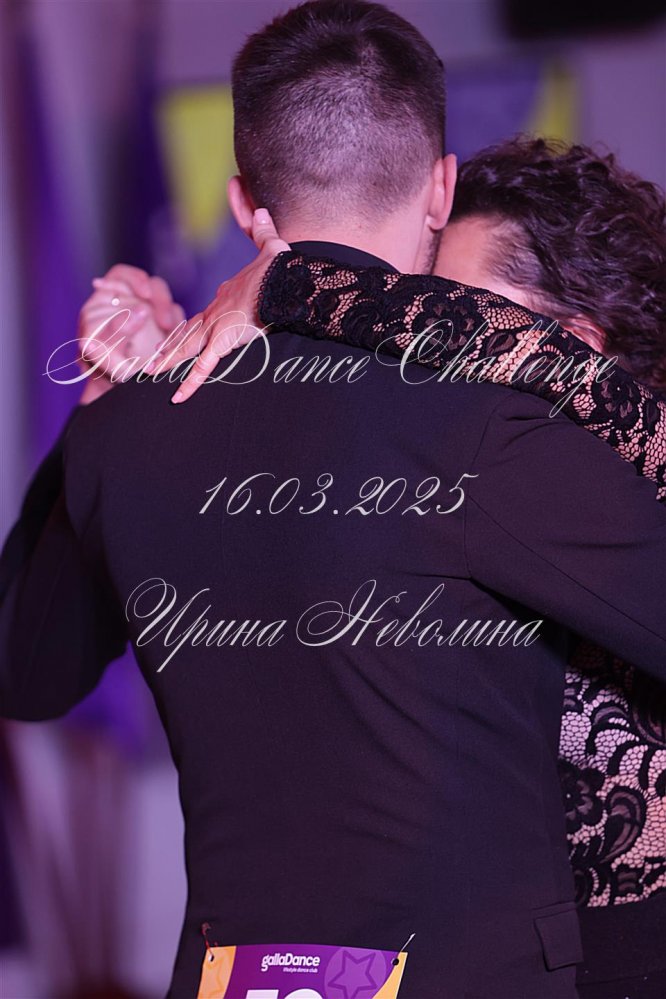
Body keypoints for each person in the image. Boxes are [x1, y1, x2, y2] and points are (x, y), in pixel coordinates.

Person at [2, 4, 666, 998]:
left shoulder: (124, 437)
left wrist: (105, 403)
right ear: (440, 187)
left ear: (242, 203)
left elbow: (23, 671)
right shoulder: (484, 421)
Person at [181, 137, 666, 998]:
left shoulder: (635, 479)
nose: (403, 348)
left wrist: (297, 282)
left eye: (435, 319)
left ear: (579, 349)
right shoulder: (442, 503)